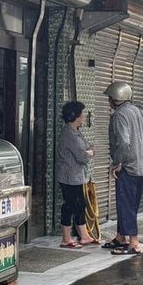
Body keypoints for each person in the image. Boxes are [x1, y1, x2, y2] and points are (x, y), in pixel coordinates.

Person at [102, 81, 143, 255]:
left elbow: (123, 143)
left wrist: (117, 163)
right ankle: (120, 237)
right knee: (128, 205)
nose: (108, 100)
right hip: (141, 169)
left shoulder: (119, 116)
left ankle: (134, 243)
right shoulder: (138, 112)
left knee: (126, 206)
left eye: (110, 97)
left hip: (128, 169)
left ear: (116, 99)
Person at [55, 101, 97, 249]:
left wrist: (88, 151)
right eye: (82, 114)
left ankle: (84, 236)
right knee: (69, 205)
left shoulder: (76, 132)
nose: (84, 117)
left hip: (77, 176)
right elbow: (83, 156)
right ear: (75, 116)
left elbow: (90, 147)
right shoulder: (69, 134)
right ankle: (66, 239)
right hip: (69, 177)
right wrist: (88, 153)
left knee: (80, 205)